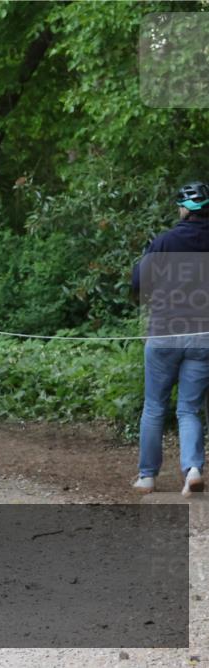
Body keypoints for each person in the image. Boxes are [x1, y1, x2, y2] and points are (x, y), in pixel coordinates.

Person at [131, 181, 209, 496]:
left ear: (183, 208)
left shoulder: (163, 242)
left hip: (164, 333)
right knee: (189, 409)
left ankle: (148, 477)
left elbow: (139, 283)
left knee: (154, 407)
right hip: (204, 336)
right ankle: (192, 470)